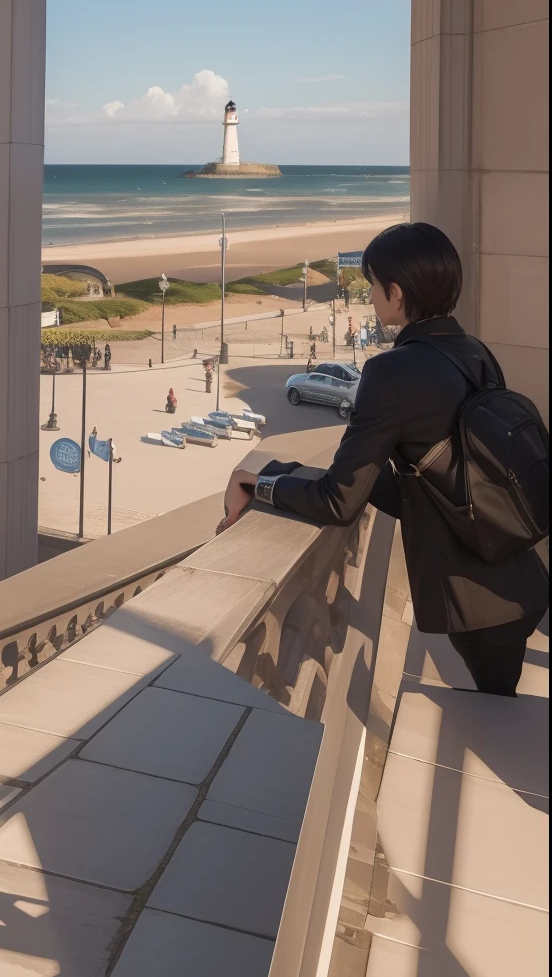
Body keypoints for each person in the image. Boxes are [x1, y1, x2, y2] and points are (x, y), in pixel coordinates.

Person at [221, 221, 548, 696]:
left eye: (373, 285)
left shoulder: (390, 371)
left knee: (498, 719)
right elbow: (436, 485)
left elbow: (339, 503)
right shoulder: (474, 352)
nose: (370, 296)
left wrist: (264, 481)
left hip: (477, 598)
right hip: (522, 572)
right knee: (499, 704)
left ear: (397, 293)